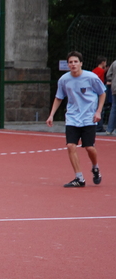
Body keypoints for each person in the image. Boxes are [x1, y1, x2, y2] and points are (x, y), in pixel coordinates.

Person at [46, 51, 106, 187]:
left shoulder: (91, 77)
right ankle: (79, 178)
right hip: (72, 117)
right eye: (70, 62)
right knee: (70, 146)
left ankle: (95, 167)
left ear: (81, 63)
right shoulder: (64, 80)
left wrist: (98, 111)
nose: (73, 64)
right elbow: (59, 97)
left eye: (75, 62)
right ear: (68, 65)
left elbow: (102, 93)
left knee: (89, 147)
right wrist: (51, 114)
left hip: (88, 117)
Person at [92, 56, 108, 132]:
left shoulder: (94, 70)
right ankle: (99, 126)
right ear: (103, 62)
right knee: (101, 107)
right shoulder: (101, 71)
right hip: (99, 91)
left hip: (93, 91)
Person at [106, 57, 116, 135]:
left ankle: (109, 129)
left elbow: (108, 75)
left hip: (114, 88)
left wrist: (113, 80)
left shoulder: (114, 62)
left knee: (114, 108)